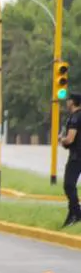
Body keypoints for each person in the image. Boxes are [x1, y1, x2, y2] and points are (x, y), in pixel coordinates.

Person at [59, 93, 81, 227]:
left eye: (68, 100)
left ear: (72, 102)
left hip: (76, 157)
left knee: (68, 185)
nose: (66, 102)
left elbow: (70, 139)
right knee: (71, 186)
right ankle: (72, 215)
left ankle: (77, 213)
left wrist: (61, 139)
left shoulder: (74, 118)